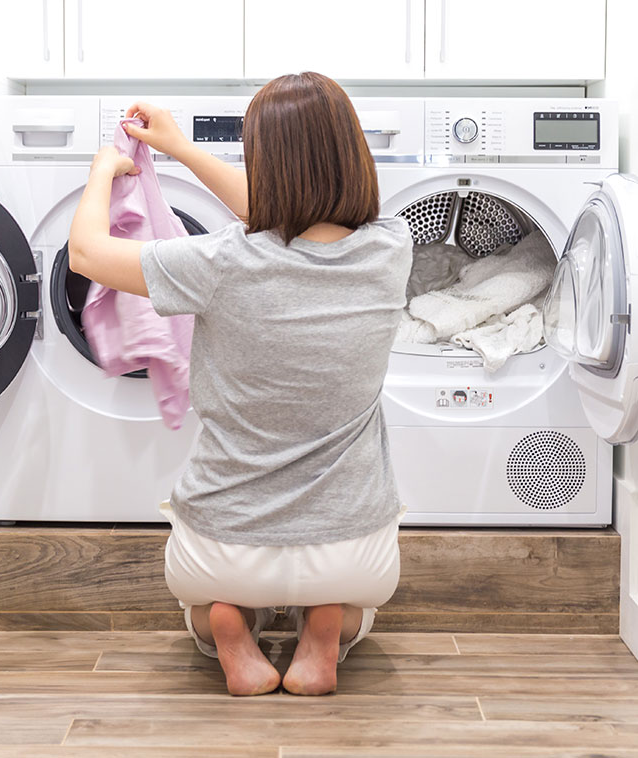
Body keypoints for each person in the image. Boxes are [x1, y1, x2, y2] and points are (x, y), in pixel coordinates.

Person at [68, 71, 413, 697]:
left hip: (222, 548)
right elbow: (290, 217)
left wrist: (101, 171)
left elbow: (87, 255)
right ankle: (326, 627)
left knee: (205, 608)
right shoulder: (392, 249)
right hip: (355, 552)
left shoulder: (219, 262)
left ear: (264, 163)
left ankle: (226, 626)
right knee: (358, 607)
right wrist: (182, 148)